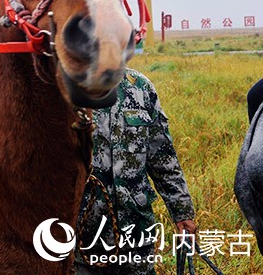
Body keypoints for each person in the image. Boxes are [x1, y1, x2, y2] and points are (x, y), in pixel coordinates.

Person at [75, 68, 197, 275]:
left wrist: (182, 211)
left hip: (136, 231)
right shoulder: (69, 91)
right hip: (84, 233)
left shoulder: (140, 87)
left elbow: (163, 158)